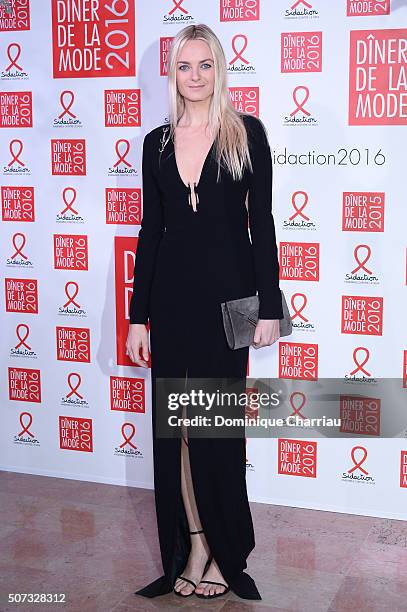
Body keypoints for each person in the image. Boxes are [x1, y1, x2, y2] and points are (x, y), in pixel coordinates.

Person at [125, 23, 283, 601]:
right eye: (185, 66)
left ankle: (223, 550)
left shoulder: (248, 134)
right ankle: (192, 545)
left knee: (218, 429)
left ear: (220, 68)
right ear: (173, 74)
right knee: (180, 433)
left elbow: (261, 224)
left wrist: (270, 305)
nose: (195, 77)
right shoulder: (156, 144)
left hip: (236, 303)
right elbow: (150, 233)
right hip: (172, 302)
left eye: (205, 65)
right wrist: (138, 317)